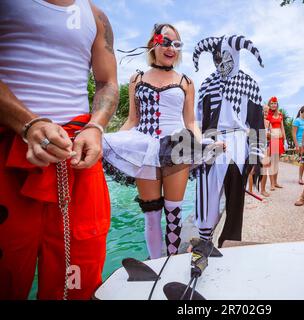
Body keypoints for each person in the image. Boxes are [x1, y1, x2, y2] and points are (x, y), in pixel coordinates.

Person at [0, 0, 118, 300]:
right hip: (8, 148)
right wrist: (27, 124)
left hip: (76, 153)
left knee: (80, 273)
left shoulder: (96, 16)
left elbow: (107, 82)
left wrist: (97, 127)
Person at [102, 24, 215, 259]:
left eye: (176, 44)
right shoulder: (137, 78)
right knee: (151, 215)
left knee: (173, 214)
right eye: (165, 41)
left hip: (177, 146)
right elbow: (133, 119)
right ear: (153, 43)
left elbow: (190, 121)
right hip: (144, 146)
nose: (170, 48)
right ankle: (155, 264)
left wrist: (202, 143)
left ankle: (171, 263)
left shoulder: (186, 81)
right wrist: (113, 145)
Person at [192, 34, 266, 247]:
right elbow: (198, 118)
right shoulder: (207, 84)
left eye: (225, 57)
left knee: (236, 197)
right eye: (217, 59)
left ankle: (230, 242)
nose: (221, 63)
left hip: (238, 142)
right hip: (211, 141)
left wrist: (256, 156)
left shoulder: (249, 84)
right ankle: (205, 240)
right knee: (207, 192)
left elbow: (257, 122)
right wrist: (199, 145)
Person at [266, 96, 286, 189]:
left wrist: (284, 139)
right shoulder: (268, 115)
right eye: (272, 103)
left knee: (276, 162)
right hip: (272, 139)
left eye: (275, 103)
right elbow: (267, 128)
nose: (273, 105)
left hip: (280, 139)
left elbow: (282, 127)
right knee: (272, 162)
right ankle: (272, 184)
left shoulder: (280, 114)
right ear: (269, 104)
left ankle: (276, 182)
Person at [292, 106, 304, 185]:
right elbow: (294, 133)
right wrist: (296, 145)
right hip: (300, 143)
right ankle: (300, 178)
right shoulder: (297, 121)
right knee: (302, 161)